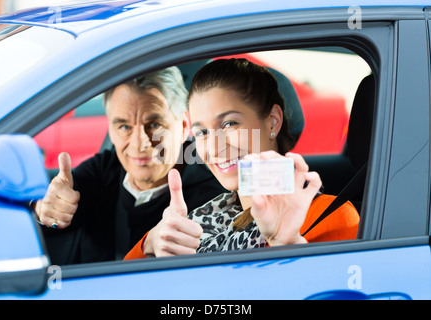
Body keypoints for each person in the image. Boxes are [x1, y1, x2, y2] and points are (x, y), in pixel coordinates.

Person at [123, 58, 359, 259]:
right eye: (202, 132)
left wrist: (285, 246)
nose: (214, 147)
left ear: (273, 122)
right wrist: (150, 244)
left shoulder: (330, 217)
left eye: (229, 123)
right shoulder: (200, 221)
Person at [34, 66, 226, 264]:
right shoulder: (103, 169)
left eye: (154, 125)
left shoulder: (216, 193)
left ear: (184, 125)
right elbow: (55, 215)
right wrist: (45, 209)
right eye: (124, 127)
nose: (139, 143)